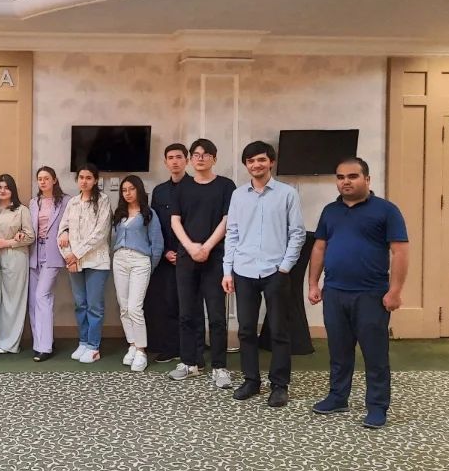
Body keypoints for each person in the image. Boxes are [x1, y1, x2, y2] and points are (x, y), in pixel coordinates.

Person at [308, 157, 409, 429]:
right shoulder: (330, 211)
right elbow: (319, 248)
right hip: (335, 293)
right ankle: (337, 397)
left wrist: (395, 291)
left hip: (371, 295)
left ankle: (377, 406)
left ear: (367, 179)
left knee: (375, 354)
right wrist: (313, 284)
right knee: (339, 351)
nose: (346, 182)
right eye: (340, 177)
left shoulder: (386, 211)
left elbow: (400, 252)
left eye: (352, 176)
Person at [221, 141, 306, 407]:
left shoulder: (287, 194)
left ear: (271, 162)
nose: (256, 165)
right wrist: (227, 270)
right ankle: (251, 380)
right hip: (243, 270)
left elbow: (297, 233)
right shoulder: (238, 195)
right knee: (246, 330)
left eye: (261, 159)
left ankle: (279, 384)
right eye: (250, 161)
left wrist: (285, 266)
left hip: (275, 271)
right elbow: (232, 233)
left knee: (279, 331)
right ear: (246, 165)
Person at [169, 138, 236, 387]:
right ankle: (190, 363)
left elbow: (228, 220)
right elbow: (175, 221)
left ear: (214, 159)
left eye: (206, 154)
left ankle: (219, 367)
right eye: (196, 154)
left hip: (215, 258)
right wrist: (190, 247)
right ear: (190, 159)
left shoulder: (226, 186)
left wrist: (206, 247)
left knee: (217, 316)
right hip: (187, 257)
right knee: (187, 313)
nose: (200, 158)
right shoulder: (182, 187)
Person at [146, 143, 198, 363]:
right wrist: (166, 250)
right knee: (167, 302)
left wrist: (185, 250)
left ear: (187, 160)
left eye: (179, 157)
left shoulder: (196, 187)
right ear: (165, 162)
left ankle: (193, 348)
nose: (175, 161)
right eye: (170, 158)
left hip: (191, 254)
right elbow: (156, 225)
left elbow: (197, 223)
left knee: (190, 304)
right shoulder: (159, 191)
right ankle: (170, 347)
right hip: (166, 256)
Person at [59, 163, 112, 364]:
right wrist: (68, 256)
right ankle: (83, 342)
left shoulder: (103, 200)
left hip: (97, 262)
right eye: (81, 177)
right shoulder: (72, 203)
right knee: (80, 304)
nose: (84, 181)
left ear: (95, 180)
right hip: (75, 263)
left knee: (94, 306)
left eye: (89, 177)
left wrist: (76, 254)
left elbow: (100, 233)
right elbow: (62, 231)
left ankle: (93, 346)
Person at [111, 175, 164, 372]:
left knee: (135, 307)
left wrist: (149, 266)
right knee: (124, 306)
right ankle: (132, 345)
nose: (128, 193)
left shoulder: (149, 214)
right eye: (124, 190)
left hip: (140, 261)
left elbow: (157, 244)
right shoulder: (119, 214)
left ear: (139, 190)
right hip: (119, 260)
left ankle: (141, 350)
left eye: (131, 189)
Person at [28, 166, 70, 362]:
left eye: (46, 178)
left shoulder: (66, 201)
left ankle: (45, 347)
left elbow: (71, 223)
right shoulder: (33, 202)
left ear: (54, 180)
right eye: (40, 179)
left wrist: (66, 232)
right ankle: (40, 342)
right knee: (33, 300)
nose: (43, 182)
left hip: (53, 254)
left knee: (42, 295)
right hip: (34, 253)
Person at [0, 174, 33, 354]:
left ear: (12, 190)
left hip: (15, 257)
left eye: (6, 187)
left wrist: (7, 243)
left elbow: (30, 236)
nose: (2, 190)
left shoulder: (21, 210)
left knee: (12, 301)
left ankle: (10, 343)